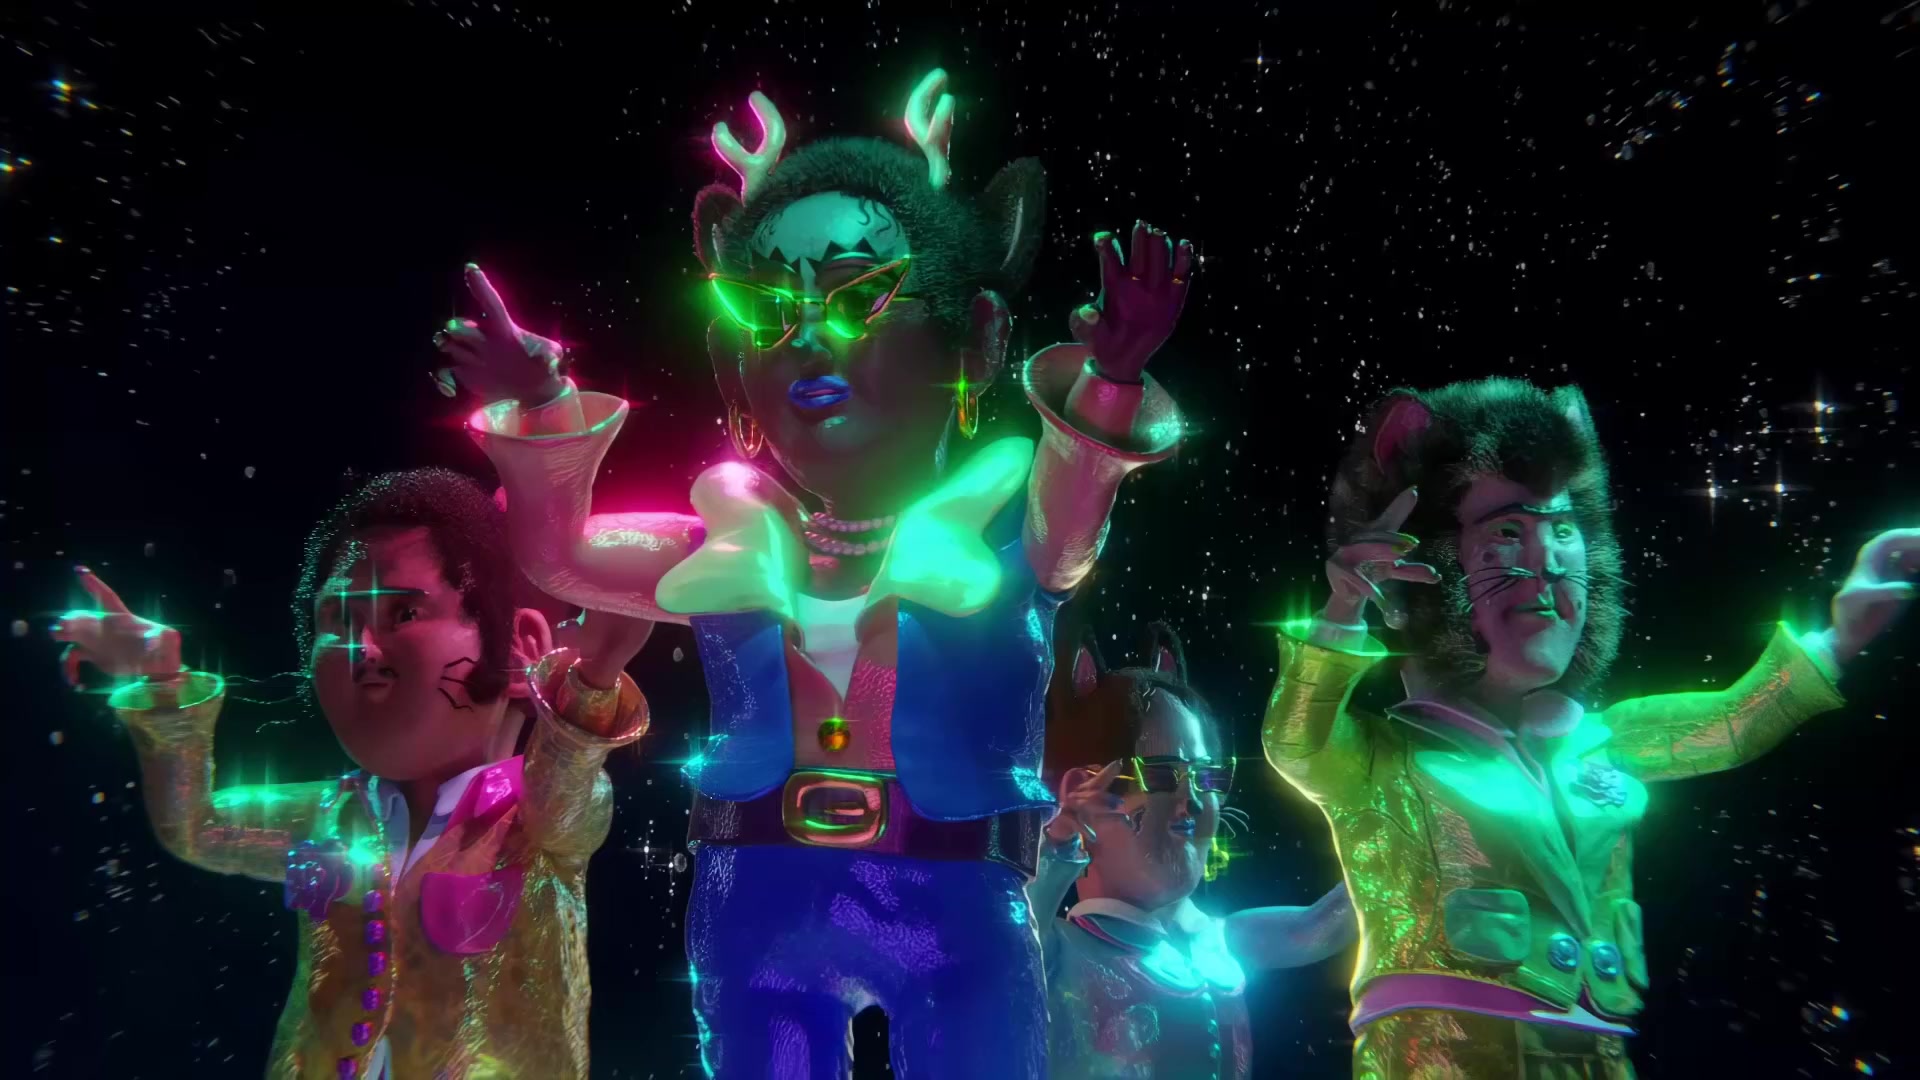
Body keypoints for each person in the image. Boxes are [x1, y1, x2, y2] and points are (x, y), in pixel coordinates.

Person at [432, 69, 1193, 1078]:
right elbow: (558, 552)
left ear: (971, 338)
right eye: (770, 308)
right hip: (759, 904)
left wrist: (1113, 376)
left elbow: (1078, 508)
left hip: (958, 906)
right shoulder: (732, 540)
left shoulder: (1005, 539)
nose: (807, 334)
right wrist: (541, 402)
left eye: (859, 295)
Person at [1259, 378, 1918, 1079]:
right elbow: (1297, 741)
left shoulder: (1607, 740)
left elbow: (1734, 722)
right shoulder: (1388, 757)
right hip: (1443, 1052)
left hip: (1602, 1053)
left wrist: (1842, 635)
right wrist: (1341, 611)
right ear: (1430, 567)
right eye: (1506, 533)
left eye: (1563, 529)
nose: (1546, 562)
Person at [51, 467, 655, 1079]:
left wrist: (596, 673)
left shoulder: (535, 819)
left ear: (517, 646)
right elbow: (197, 825)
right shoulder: (328, 817)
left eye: (404, 612)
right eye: (337, 623)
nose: (362, 650)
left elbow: (569, 788)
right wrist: (160, 682)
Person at [1037, 620, 1354, 1080]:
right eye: (1162, 774)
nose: (1192, 801)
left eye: (1207, 778)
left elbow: (1322, 925)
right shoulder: (1058, 950)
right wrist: (1059, 840)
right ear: (1080, 791)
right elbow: (1002, 939)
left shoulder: (1217, 943)